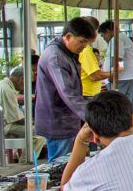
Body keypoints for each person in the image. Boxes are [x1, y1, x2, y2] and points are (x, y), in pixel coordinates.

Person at [35, 17, 96, 161]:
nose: (84, 46)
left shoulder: (67, 53)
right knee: (61, 165)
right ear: (68, 37)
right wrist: (93, 117)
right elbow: (69, 93)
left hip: (68, 120)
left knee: (73, 162)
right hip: (58, 121)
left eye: (87, 43)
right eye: (82, 42)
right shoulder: (56, 57)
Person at [0, 66, 46, 157]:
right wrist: (36, 122)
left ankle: (16, 155)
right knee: (42, 134)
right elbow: (16, 119)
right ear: (22, 79)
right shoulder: (7, 90)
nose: (23, 88)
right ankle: (26, 160)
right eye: (25, 84)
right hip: (4, 127)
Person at [101, 21, 133, 117]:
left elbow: (118, 59)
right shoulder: (124, 38)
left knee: (120, 107)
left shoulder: (117, 39)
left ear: (107, 31)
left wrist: (113, 75)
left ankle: (125, 128)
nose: (104, 39)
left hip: (123, 79)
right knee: (129, 106)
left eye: (103, 36)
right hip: (129, 76)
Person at [79, 17, 110, 99]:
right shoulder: (86, 50)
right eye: (96, 31)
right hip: (88, 94)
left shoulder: (86, 49)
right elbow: (95, 76)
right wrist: (114, 72)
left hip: (89, 92)